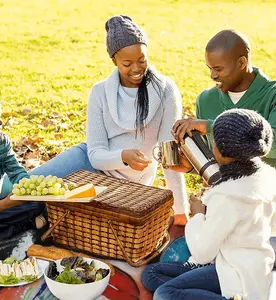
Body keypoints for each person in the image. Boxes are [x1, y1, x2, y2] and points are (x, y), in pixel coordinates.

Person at [15, 15, 188, 225]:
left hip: (127, 184)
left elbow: (169, 157)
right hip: (89, 162)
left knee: (52, 212)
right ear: (114, 61)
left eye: (142, 60)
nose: (136, 69)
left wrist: (181, 212)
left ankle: (38, 219)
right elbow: (95, 154)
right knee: (22, 190)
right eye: (127, 63)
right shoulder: (100, 92)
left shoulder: (166, 91)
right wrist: (123, 156)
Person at [142, 108, 276, 300]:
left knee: (165, 293)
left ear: (220, 150)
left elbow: (202, 252)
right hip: (250, 267)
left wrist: (198, 215)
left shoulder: (227, 197)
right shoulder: (268, 177)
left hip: (236, 277)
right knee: (151, 274)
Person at [172, 29, 276, 172]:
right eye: (210, 68)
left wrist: (211, 127)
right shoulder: (206, 100)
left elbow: (273, 144)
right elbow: (215, 162)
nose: (212, 75)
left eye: (218, 69)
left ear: (241, 63)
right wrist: (192, 167)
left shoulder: (272, 95)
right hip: (226, 190)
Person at [0, 90, 46, 250]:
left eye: (0, 116)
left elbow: (16, 172)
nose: (0, 122)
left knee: (38, 203)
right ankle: (23, 226)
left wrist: (31, 190)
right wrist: (4, 205)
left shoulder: (1, 141)